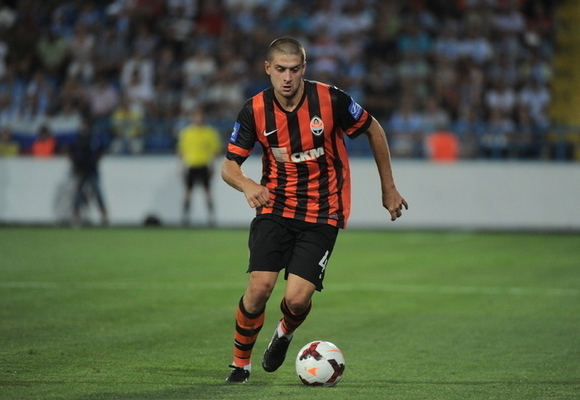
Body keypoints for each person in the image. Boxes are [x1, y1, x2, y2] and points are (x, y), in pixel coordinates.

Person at [221, 37, 408, 383]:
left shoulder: (330, 99)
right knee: (260, 288)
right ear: (268, 69)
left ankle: (285, 333)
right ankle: (240, 364)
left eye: (294, 70)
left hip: (322, 212)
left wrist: (389, 188)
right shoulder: (255, 109)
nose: (287, 78)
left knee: (296, 299)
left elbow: (374, 129)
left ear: (304, 69)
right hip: (274, 207)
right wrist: (248, 185)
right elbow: (229, 166)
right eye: (280, 70)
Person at [177, 106, 222, 226]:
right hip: (191, 165)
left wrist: (214, 167)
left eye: (200, 116)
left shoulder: (210, 132)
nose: (198, 118)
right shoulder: (187, 132)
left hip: (204, 165)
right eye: (196, 116)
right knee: (188, 192)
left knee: (207, 192)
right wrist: (180, 167)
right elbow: (181, 151)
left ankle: (211, 218)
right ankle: (185, 218)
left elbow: (215, 152)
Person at [68, 121, 108, 226]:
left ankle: (104, 216)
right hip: (81, 169)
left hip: (91, 169)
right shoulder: (77, 139)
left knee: (97, 192)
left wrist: (95, 161)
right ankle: (76, 216)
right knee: (78, 193)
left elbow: (101, 150)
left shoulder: (95, 139)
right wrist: (75, 163)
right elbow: (68, 150)